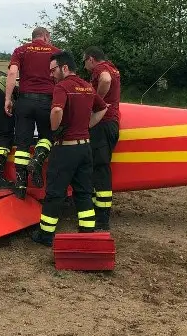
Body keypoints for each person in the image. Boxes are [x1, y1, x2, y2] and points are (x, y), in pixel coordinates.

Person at [32, 51, 108, 247]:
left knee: (55, 192)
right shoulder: (87, 87)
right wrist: (87, 126)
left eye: (53, 70)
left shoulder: (62, 87)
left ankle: (45, 235)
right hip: (85, 149)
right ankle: (87, 231)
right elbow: (103, 108)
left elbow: (57, 110)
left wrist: (55, 128)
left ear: (64, 68)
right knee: (83, 193)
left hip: (66, 149)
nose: (51, 74)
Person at [5, 26, 60, 198]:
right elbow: (62, 76)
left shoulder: (20, 50)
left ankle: (21, 185)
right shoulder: (56, 52)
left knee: (22, 144)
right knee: (48, 137)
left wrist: (7, 98)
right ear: (45, 36)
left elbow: (13, 72)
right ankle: (37, 162)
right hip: (47, 101)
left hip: (25, 101)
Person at [83, 47, 121, 230]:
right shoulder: (113, 66)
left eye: (85, 62)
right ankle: (96, 210)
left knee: (100, 168)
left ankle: (102, 219)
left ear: (91, 59)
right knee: (98, 167)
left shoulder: (101, 69)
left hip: (102, 124)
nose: (85, 66)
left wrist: (96, 101)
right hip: (112, 124)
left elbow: (105, 79)